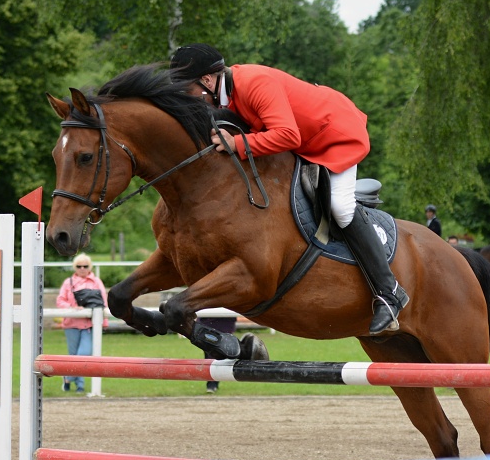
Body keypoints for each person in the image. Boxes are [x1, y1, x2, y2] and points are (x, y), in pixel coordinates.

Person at [170, 44, 408, 335]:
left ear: (207, 80)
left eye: (187, 88)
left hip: (335, 135)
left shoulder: (254, 83)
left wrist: (238, 144)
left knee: (341, 207)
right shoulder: (225, 96)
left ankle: (390, 291)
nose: (187, 96)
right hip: (305, 142)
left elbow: (287, 134)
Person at [55, 253, 109, 394]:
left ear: (89, 267)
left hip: (89, 324)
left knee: (83, 354)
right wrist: (72, 308)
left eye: (85, 266)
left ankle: (67, 377)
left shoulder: (97, 282)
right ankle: (80, 386)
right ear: (75, 267)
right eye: (79, 266)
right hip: (71, 323)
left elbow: (103, 302)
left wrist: (103, 322)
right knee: (73, 355)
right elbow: (60, 301)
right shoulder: (68, 282)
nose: (82, 269)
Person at [197, 316, 237, 393]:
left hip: (223, 323)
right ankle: (212, 383)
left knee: (214, 354)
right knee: (210, 354)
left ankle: (212, 384)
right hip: (206, 323)